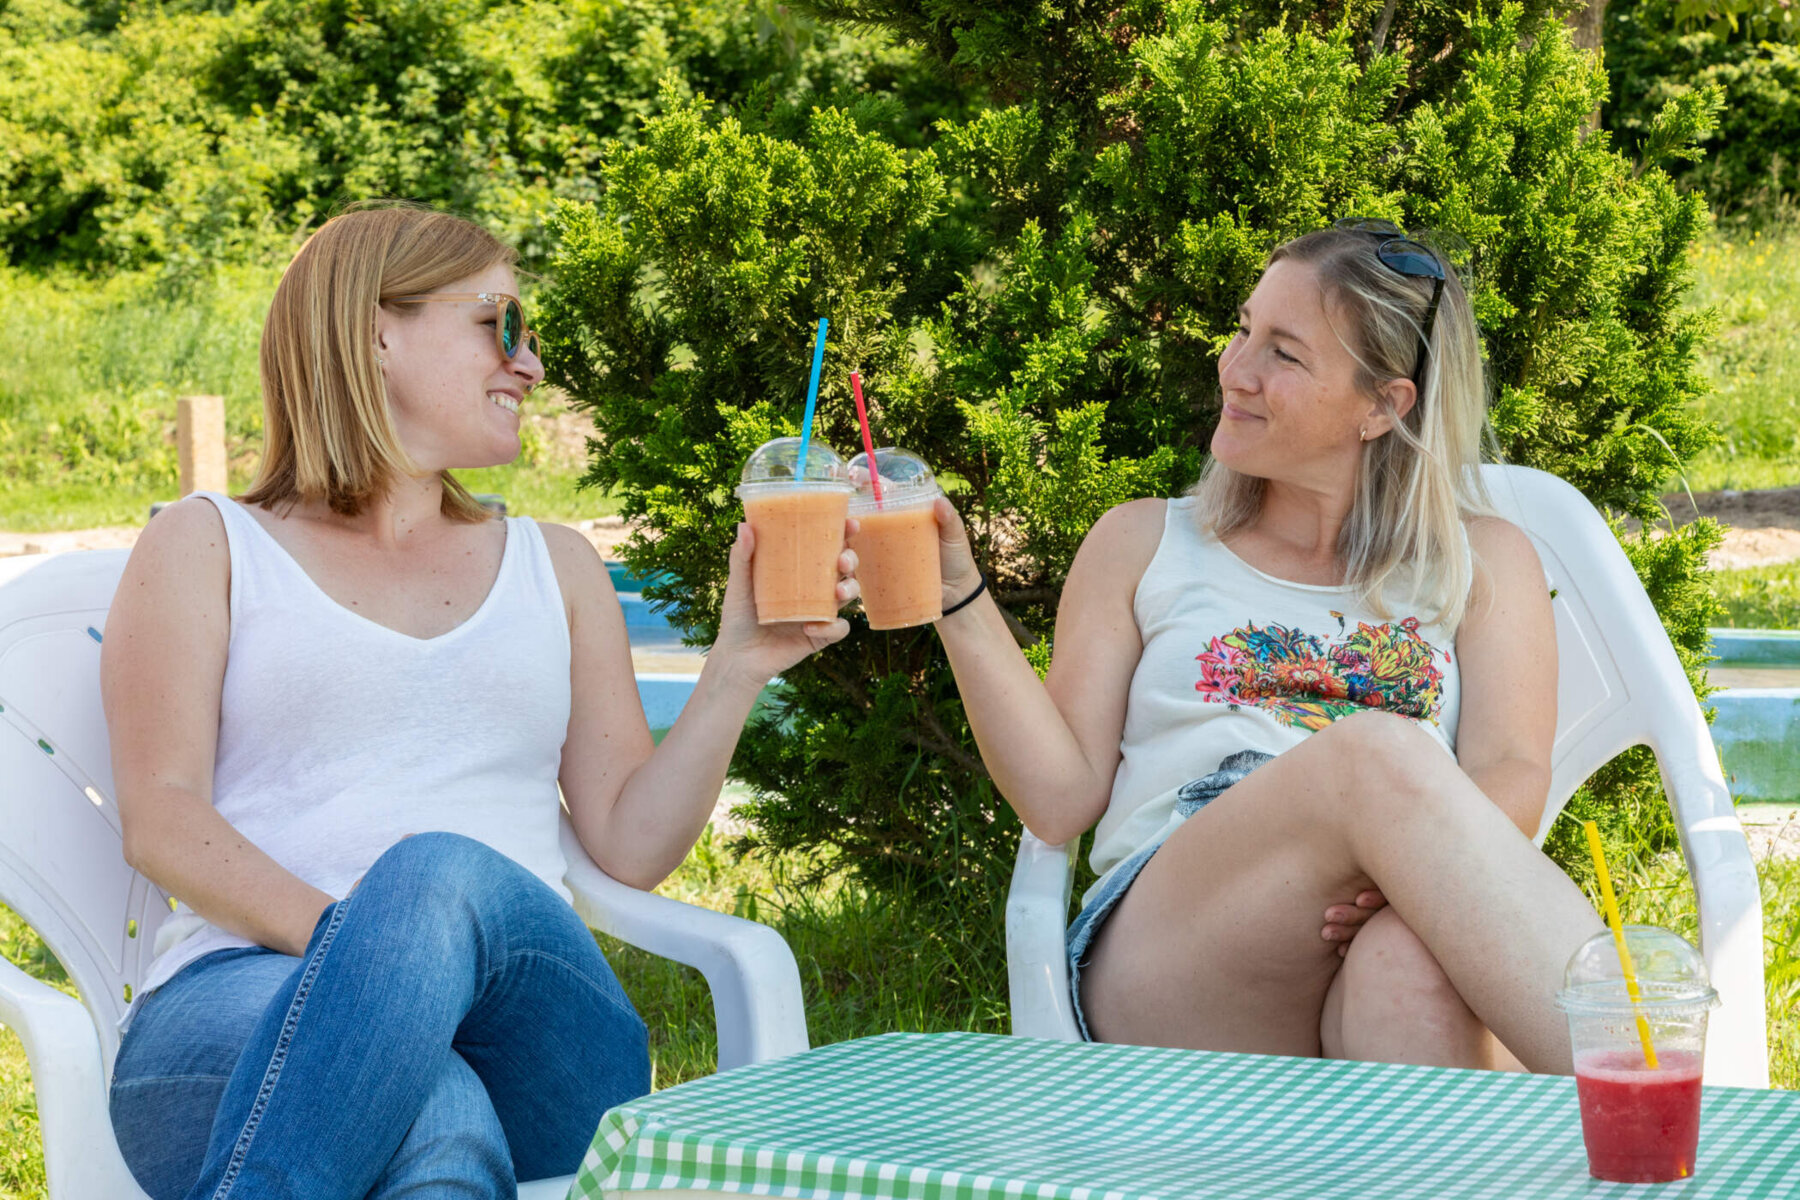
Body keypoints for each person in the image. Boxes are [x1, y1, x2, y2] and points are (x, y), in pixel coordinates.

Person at [100, 203, 858, 1199]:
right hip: (228, 1009)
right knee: (438, 1111)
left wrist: (734, 668)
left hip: (540, 1032)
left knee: (437, 877)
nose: (531, 365)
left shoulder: (558, 568)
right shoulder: (207, 545)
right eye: (499, 323)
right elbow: (162, 821)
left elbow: (631, 845)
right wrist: (384, 977)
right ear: (376, 331)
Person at [927, 221, 1605, 1073]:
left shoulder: (1482, 561)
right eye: (1245, 328)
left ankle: (1622, 1155)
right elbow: (1059, 801)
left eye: (1284, 353)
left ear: (1384, 406)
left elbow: (1510, 771)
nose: (1236, 369)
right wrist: (955, 595)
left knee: (1409, 968)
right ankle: (1649, 1095)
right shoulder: (1144, 543)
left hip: (1375, 919)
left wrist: (1403, 889)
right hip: (1177, 955)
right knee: (1372, 755)